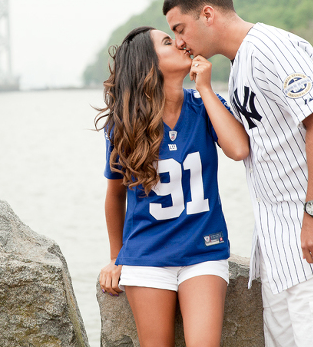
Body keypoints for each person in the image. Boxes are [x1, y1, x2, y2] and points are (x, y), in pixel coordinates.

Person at [162, 0, 313, 347]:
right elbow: (242, 148)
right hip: (284, 252)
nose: (181, 42)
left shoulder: (271, 47)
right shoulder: (239, 67)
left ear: (207, 14)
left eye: (180, 29)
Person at [96, 26, 250, 347]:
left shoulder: (204, 105)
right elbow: (114, 198)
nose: (180, 43)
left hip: (203, 251)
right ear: (148, 64)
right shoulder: (124, 123)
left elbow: (238, 149)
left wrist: (205, 89)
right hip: (146, 255)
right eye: (167, 41)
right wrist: (116, 257)